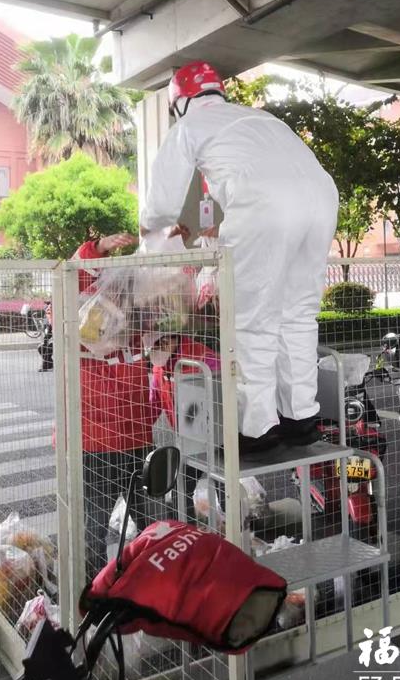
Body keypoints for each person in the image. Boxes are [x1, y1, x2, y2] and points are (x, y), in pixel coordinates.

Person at [140, 61, 339, 454]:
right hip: (322, 199)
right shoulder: (261, 118)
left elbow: (161, 205)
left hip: (264, 203)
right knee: (298, 315)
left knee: (251, 319)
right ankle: (301, 418)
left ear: (179, 102)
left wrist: (149, 236)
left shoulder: (189, 126)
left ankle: (257, 427)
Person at [72, 232, 161, 579]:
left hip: (132, 437)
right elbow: (72, 277)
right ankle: (91, 589)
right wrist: (96, 249)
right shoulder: (81, 323)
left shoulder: (136, 326)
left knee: (148, 520)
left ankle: (149, 578)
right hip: (97, 442)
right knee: (95, 523)